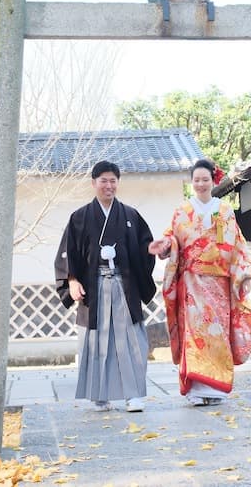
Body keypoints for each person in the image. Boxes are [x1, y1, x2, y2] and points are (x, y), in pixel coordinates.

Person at [149, 159, 251, 406]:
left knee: (217, 332)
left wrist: (244, 275)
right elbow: (172, 239)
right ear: (191, 182)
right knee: (195, 333)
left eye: (204, 179)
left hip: (219, 283)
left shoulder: (225, 210)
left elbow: (237, 243)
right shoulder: (182, 211)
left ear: (213, 180)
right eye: (196, 180)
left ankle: (216, 388)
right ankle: (196, 389)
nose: (200, 184)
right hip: (192, 281)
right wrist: (164, 246)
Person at [55, 160, 156, 413]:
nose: (108, 185)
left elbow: (144, 246)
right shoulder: (79, 218)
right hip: (95, 288)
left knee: (131, 341)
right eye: (103, 180)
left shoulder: (131, 215)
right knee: (97, 341)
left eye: (113, 180)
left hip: (124, 286)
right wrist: (72, 280)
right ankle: (100, 396)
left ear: (117, 183)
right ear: (93, 183)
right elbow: (68, 253)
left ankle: (134, 396)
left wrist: (150, 250)